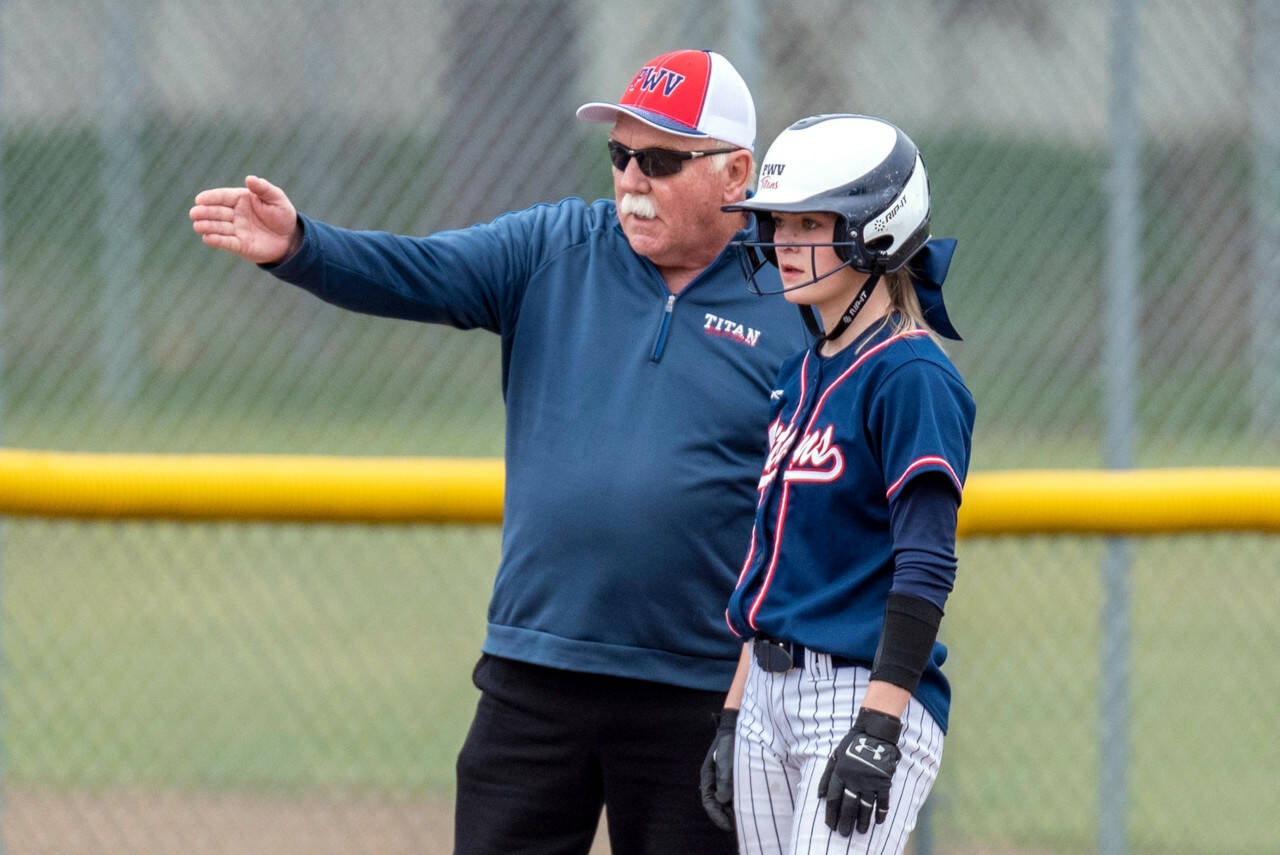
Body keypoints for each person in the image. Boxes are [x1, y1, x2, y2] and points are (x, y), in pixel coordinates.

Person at [189, 50, 810, 855]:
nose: (630, 181)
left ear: (736, 175)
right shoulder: (557, 246)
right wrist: (303, 245)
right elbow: (423, 270)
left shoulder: (791, 291)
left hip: (701, 687)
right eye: (620, 155)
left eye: (660, 160)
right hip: (537, 672)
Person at [698, 114, 976, 854]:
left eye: (810, 223)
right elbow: (773, 565)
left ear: (875, 231)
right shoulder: (799, 372)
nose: (783, 243)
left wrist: (881, 724)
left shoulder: (911, 376)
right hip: (768, 692)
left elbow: (926, 562)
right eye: (779, 224)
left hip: (858, 693)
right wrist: (734, 710)